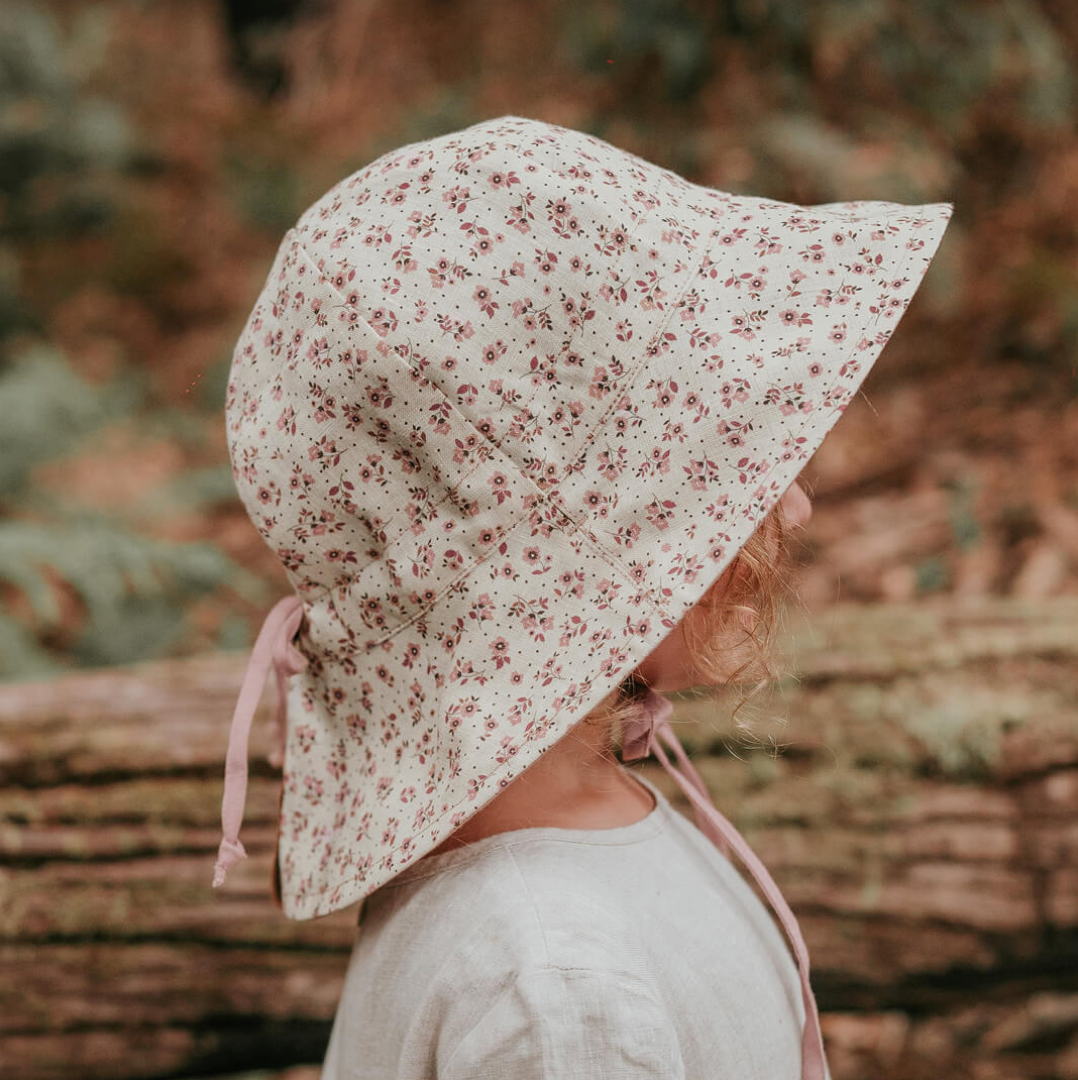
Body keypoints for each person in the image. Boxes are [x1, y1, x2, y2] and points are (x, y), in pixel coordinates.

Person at [212, 115, 953, 1078]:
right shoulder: (559, 996)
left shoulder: (560, 889)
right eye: (711, 471)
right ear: (577, 563)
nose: (796, 503)